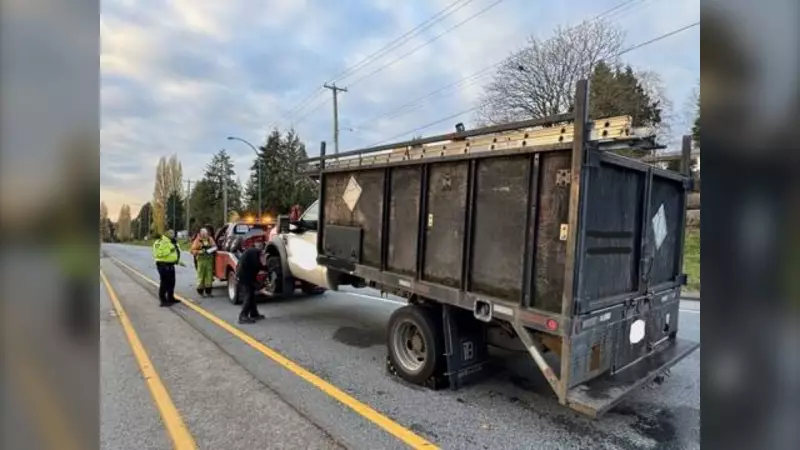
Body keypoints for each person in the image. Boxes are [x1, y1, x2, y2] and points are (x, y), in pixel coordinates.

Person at [236, 243, 266, 324]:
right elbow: (256, 264)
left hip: (246, 275)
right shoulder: (255, 252)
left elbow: (255, 266)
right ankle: (242, 316)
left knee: (252, 295)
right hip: (244, 277)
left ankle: (254, 313)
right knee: (248, 295)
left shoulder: (252, 251)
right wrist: (266, 268)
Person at [152, 229, 183, 307]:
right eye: (170, 233)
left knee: (172, 282)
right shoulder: (160, 242)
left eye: (173, 233)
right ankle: (163, 300)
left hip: (171, 265)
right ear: (166, 234)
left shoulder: (172, 242)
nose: (172, 234)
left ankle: (170, 297)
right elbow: (157, 254)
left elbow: (175, 253)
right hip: (163, 265)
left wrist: (178, 261)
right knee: (164, 283)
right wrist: (169, 251)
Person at [190, 227, 216, 297]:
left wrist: (211, 250)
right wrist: (200, 251)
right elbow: (192, 250)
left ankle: (208, 291)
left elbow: (215, 247)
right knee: (201, 276)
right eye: (203, 234)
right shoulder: (197, 240)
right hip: (201, 260)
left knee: (209, 277)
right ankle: (200, 291)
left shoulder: (210, 239)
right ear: (201, 234)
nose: (205, 235)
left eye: (206, 234)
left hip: (209, 260)